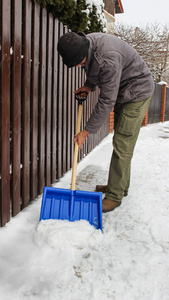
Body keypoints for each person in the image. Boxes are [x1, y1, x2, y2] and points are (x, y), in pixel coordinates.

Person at [57, 32, 155, 213]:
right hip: (123, 90)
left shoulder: (108, 59)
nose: (79, 66)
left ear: (82, 54)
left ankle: (114, 196)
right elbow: (94, 68)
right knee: (122, 142)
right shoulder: (89, 44)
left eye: (78, 63)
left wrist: (86, 131)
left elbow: (106, 101)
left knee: (122, 143)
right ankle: (119, 186)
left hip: (137, 93)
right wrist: (88, 86)